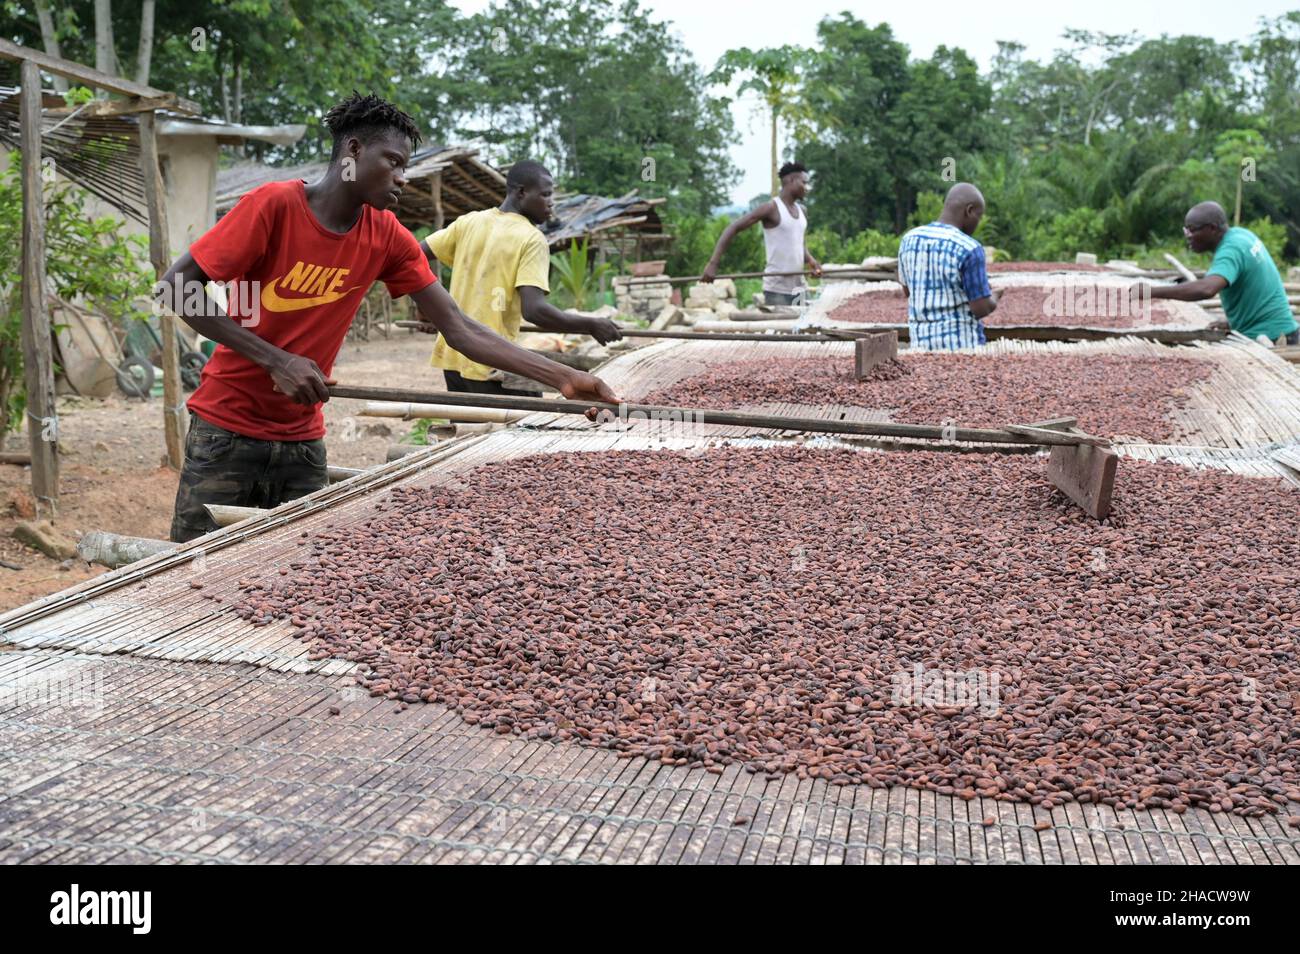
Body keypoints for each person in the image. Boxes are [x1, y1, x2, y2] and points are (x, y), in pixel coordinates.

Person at [161, 93, 617, 543]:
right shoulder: (273, 206)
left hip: (302, 438)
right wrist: (275, 360)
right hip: (226, 431)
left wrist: (562, 378)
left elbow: (458, 328)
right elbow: (177, 286)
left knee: (290, 576)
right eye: (393, 162)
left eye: (406, 168)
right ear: (353, 151)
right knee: (188, 573)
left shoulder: (387, 237)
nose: (402, 178)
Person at [424, 160, 622, 396]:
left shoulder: (469, 222)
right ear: (521, 192)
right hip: (493, 360)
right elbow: (534, 311)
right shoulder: (531, 238)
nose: (551, 203)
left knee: (467, 430)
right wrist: (590, 324)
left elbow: (414, 255)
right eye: (546, 194)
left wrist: (426, 306)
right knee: (527, 424)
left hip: (453, 353)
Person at [1144, 201, 1298, 346]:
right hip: (1282, 329)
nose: (1187, 235)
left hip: (1271, 338)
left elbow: (1207, 288)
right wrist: (1233, 322)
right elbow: (1255, 290)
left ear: (1212, 229)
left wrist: (1149, 291)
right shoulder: (1241, 235)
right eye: (1185, 229)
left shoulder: (1230, 251)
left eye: (1191, 229)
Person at [699, 161, 821, 305]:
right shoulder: (771, 209)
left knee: (801, 326)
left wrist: (811, 261)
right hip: (776, 291)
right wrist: (713, 264)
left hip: (799, 289)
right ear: (791, 181)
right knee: (781, 328)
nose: (807, 188)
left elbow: (799, 243)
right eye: (804, 183)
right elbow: (733, 228)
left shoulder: (802, 211)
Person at [896, 183, 999, 351]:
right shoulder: (969, 248)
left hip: (920, 348)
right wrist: (995, 296)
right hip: (963, 348)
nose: (978, 223)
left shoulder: (909, 240)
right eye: (978, 217)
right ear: (969, 211)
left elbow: (908, 292)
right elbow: (980, 308)